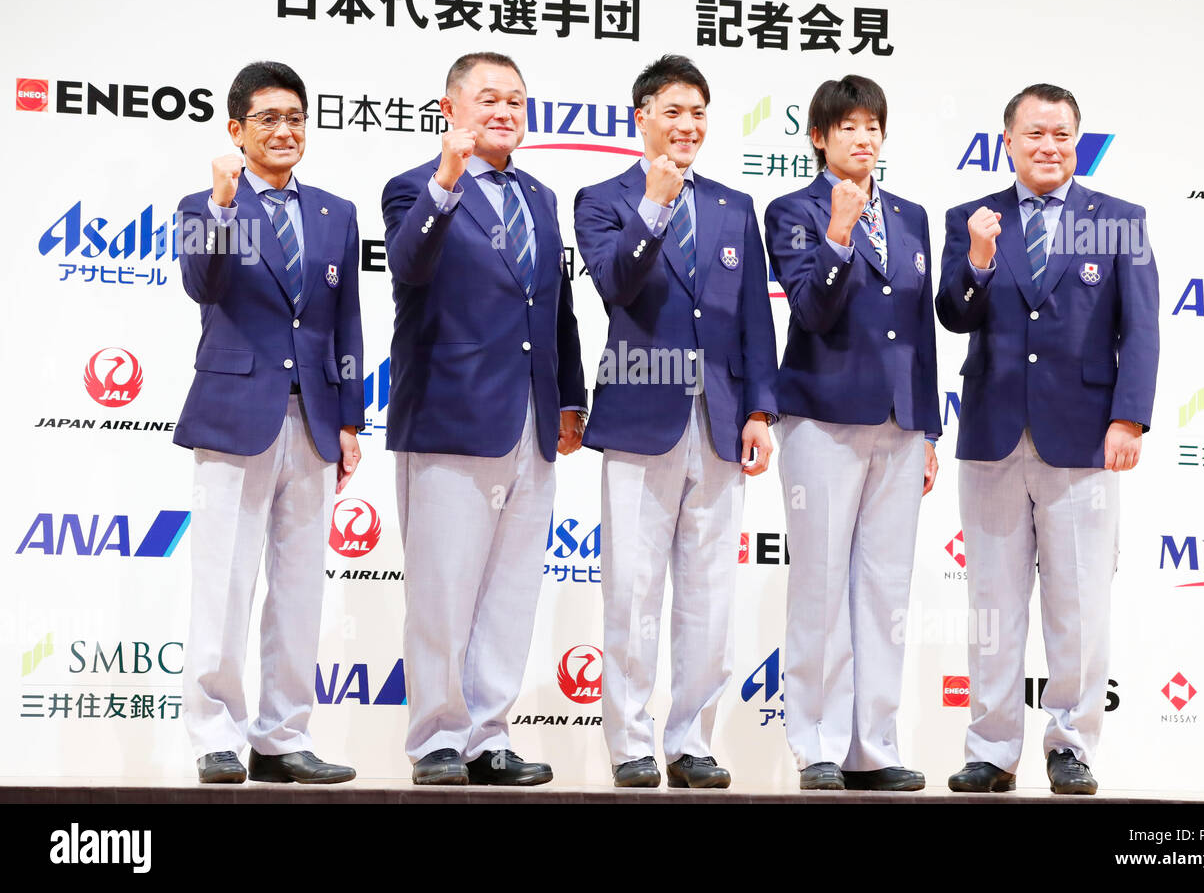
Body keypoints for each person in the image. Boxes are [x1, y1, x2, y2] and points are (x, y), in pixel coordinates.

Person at [936, 83, 1159, 795]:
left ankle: (1071, 744)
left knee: (1081, 600)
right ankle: (992, 748)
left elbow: (1143, 326)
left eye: (1061, 134)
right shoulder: (974, 219)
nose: (1048, 146)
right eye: (1034, 133)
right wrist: (975, 260)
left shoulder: (1118, 220)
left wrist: (1129, 417)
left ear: (1077, 141)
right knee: (993, 604)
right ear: (1008, 140)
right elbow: (952, 314)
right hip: (994, 435)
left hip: (1085, 434)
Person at [381, 52, 586, 787]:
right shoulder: (412, 188)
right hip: (448, 417)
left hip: (530, 424)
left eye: (517, 102)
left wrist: (570, 397)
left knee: (509, 589)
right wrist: (447, 178)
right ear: (450, 109)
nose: (504, 113)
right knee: (441, 590)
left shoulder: (538, 195)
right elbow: (408, 267)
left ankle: (488, 736)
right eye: (489, 99)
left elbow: (554, 306)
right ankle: (436, 736)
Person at [574, 55, 779, 789]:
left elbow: (756, 313)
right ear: (642, 118)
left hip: (721, 423)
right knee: (631, 590)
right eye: (672, 112)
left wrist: (758, 409)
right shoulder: (602, 199)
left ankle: (692, 740)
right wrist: (654, 208)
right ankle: (630, 742)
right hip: (639, 416)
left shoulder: (732, 205)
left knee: (707, 594)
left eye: (697, 112)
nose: (687, 125)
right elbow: (613, 285)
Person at [175, 61, 362, 785]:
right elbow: (203, 285)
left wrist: (349, 419)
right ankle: (214, 733)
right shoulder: (204, 204)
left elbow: (344, 323)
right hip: (233, 415)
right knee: (223, 581)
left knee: (298, 587)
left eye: (295, 118)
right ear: (236, 130)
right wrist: (223, 208)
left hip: (313, 420)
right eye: (267, 120)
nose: (284, 131)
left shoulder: (335, 213)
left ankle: (282, 737)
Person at [764, 76, 940, 792]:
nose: (863, 138)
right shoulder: (792, 211)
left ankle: (876, 746)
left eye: (872, 126)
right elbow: (811, 310)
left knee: (884, 590)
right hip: (822, 418)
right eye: (847, 127)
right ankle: (817, 745)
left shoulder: (910, 214)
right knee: (819, 583)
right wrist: (839, 230)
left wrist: (928, 423)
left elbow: (921, 325)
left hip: (900, 423)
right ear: (818, 137)